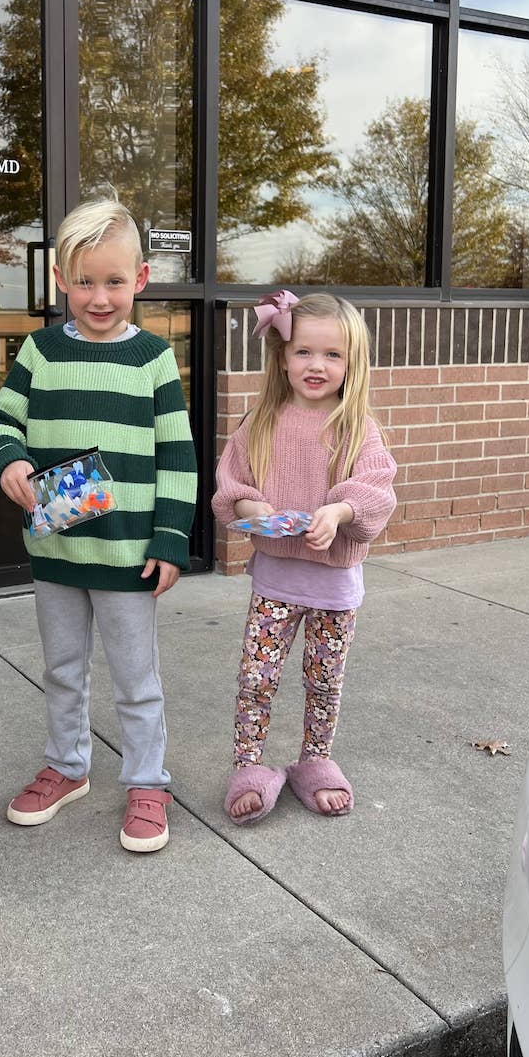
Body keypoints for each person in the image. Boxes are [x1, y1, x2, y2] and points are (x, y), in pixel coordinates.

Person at [0, 198, 198, 853]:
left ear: (141, 279)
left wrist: (170, 538)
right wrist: (9, 458)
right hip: (58, 547)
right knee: (62, 669)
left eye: (114, 281)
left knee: (136, 680)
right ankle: (67, 765)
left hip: (129, 554)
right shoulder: (39, 352)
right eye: (84, 282)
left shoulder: (154, 358)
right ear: (60, 280)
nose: (99, 297)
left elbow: (178, 454)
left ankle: (148, 780)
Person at [211, 290, 396, 823]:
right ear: (282, 357)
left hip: (334, 586)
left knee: (324, 682)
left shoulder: (358, 428)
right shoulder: (260, 422)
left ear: (352, 363)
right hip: (275, 581)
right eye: (304, 352)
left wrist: (339, 512)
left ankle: (315, 759)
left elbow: (377, 489)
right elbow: (231, 486)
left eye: (333, 355)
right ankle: (249, 765)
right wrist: (250, 506)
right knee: (257, 678)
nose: (317, 365)